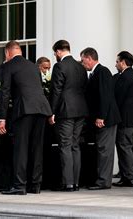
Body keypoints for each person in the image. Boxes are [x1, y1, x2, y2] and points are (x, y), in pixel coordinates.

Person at [0, 41, 52, 195]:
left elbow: (5, 92)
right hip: (41, 108)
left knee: (21, 148)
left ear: (8, 53)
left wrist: (2, 118)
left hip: (24, 110)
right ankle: (35, 185)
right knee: (36, 148)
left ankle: (19, 185)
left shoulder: (8, 66)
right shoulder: (33, 65)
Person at [48, 40, 88, 192]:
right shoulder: (80, 66)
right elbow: (84, 87)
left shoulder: (60, 66)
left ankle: (68, 183)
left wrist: (51, 111)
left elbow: (56, 90)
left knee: (65, 145)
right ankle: (76, 182)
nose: (55, 56)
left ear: (58, 51)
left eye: (55, 53)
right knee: (75, 145)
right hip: (81, 110)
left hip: (65, 111)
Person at [80, 47, 121, 190]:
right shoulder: (95, 73)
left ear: (89, 58)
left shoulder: (102, 71)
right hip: (102, 118)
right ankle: (100, 179)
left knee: (105, 150)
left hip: (106, 119)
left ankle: (103, 181)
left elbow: (106, 96)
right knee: (101, 149)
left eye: (83, 59)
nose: (82, 62)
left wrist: (101, 117)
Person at [112, 51, 133, 187]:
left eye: (117, 62)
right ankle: (126, 176)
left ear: (123, 62)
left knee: (124, 146)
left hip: (126, 118)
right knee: (126, 146)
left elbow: (119, 98)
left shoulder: (125, 77)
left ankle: (129, 177)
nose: (116, 64)